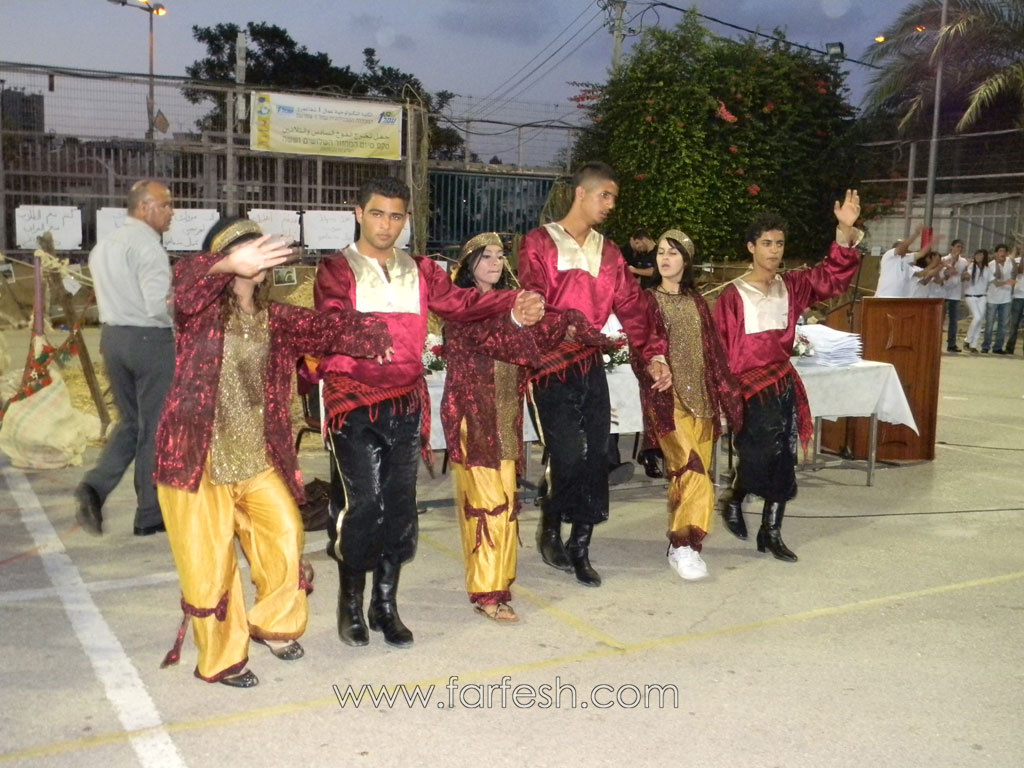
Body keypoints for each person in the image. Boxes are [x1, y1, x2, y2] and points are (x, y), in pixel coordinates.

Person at [154, 218, 392, 688]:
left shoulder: (274, 317)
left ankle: (274, 625)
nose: (258, 254)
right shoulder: (199, 311)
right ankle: (222, 658)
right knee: (210, 564)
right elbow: (182, 287)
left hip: (256, 457)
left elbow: (325, 328)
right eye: (247, 248)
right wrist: (225, 264)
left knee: (284, 533)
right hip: (199, 462)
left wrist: (375, 332)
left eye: (261, 246)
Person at [314, 177, 544, 648]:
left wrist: (512, 302)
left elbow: (459, 303)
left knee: (399, 507)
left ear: (406, 220)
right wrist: (367, 341)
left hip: (405, 401)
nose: (386, 225)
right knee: (363, 506)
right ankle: (350, 604)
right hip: (352, 404)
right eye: (377, 214)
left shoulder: (419, 268)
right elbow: (332, 322)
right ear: (359, 214)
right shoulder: (336, 268)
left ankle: (384, 604)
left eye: (396, 216)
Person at [518, 161, 671, 588]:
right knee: (567, 453)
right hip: (550, 366)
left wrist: (654, 353)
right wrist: (561, 326)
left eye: (614, 198)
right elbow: (535, 301)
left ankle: (581, 544)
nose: (610, 204)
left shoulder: (611, 253)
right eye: (605, 195)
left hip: (590, 364)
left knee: (596, 456)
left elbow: (634, 308)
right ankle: (551, 527)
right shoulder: (538, 243)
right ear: (580, 193)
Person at [441, 233, 606, 621]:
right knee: (487, 506)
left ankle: (499, 582)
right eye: (486, 256)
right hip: (474, 419)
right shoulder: (460, 308)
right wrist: (520, 319)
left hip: (505, 419)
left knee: (506, 504)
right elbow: (493, 341)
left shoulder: (511, 302)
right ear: (468, 264)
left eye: (500, 256)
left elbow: (537, 339)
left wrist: (566, 321)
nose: (495, 262)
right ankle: (488, 593)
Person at [714, 191, 863, 562]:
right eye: (766, 243)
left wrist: (845, 231)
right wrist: (722, 398)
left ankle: (771, 531)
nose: (774, 251)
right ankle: (734, 496)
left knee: (784, 458)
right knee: (757, 455)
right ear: (751, 247)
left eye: (779, 244)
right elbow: (718, 351)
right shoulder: (733, 295)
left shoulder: (792, 285)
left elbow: (832, 278)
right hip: (749, 388)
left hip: (782, 382)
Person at [632, 229, 743, 580]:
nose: (664, 258)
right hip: (668, 402)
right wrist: (653, 365)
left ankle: (680, 542)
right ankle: (685, 546)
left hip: (703, 402)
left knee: (693, 475)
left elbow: (713, 353)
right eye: (661, 252)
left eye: (673, 253)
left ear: (687, 260)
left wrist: (722, 396)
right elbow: (639, 346)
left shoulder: (697, 301)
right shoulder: (647, 300)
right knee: (691, 470)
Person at [75, 180, 176, 537]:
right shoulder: (149, 248)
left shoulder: (104, 246)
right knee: (155, 426)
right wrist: (182, 316)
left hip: (113, 339)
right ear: (145, 207)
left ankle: (94, 486)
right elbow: (157, 306)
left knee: (131, 422)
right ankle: (150, 512)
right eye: (165, 205)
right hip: (150, 341)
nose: (171, 212)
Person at [982, 244, 1014, 353]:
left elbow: (1014, 274)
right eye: (1000, 251)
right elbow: (997, 278)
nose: (1002, 253)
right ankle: (986, 346)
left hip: (1006, 298)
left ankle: (998, 347)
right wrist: (1007, 282)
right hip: (992, 298)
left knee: (1003, 324)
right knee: (990, 323)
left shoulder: (1010, 262)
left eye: (1004, 251)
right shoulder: (991, 265)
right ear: (996, 253)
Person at [874, 226, 920, 298]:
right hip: (884, 296)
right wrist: (915, 234)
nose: (906, 249)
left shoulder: (905, 260)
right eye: (904, 247)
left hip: (900, 297)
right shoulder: (888, 255)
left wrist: (931, 243)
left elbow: (921, 254)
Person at [962, 249, 992, 353]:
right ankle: (967, 340)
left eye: (980, 255)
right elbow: (967, 277)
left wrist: (1006, 283)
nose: (978, 257)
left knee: (980, 321)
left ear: (984, 257)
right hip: (971, 296)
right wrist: (966, 275)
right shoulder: (971, 266)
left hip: (982, 296)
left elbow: (993, 280)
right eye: (977, 254)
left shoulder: (987, 269)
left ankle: (973, 345)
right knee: (977, 317)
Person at [940, 240, 967, 352]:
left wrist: (964, 276)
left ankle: (951, 344)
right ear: (952, 247)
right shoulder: (944, 259)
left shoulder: (963, 261)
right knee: (940, 319)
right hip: (943, 293)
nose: (959, 249)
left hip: (955, 293)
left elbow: (963, 276)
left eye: (961, 247)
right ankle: (937, 343)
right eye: (957, 246)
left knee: (953, 320)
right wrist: (952, 264)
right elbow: (944, 274)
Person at [1004, 248, 1024, 355]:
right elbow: (1018, 271)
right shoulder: (1016, 260)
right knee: (1014, 323)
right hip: (1018, 295)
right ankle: (1010, 347)